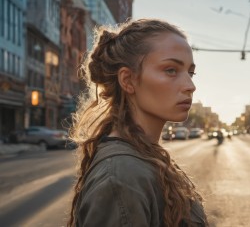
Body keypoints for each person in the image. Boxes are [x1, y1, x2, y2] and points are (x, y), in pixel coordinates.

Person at [67, 19, 208, 227]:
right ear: (128, 80)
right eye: (171, 70)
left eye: (190, 72)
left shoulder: (143, 156)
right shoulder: (122, 176)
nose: (190, 85)